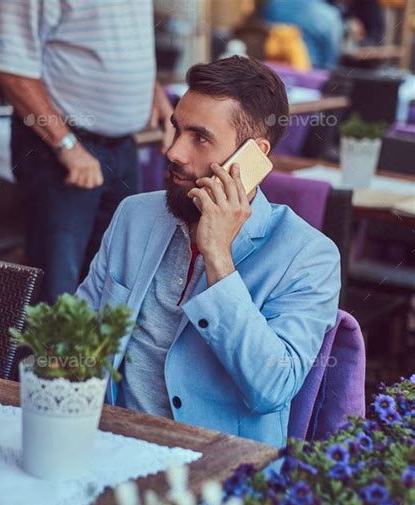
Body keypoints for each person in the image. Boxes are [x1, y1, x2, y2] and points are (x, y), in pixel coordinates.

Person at [77, 57, 341, 449]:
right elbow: (76, 332)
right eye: (177, 130)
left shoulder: (309, 257)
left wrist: (219, 256)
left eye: (200, 137)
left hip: (217, 469)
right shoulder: (135, 215)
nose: (173, 152)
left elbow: (271, 389)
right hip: (107, 442)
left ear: (252, 158)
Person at [0, 0, 173, 304]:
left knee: (117, 279)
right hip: (61, 149)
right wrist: (65, 144)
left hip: (123, 146)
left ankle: (96, 354)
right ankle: (54, 355)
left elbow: (117, 41)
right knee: (59, 293)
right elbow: (10, 68)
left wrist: (154, 92)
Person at [258, 0, 345, 69]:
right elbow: (329, 62)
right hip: (311, 80)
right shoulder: (331, 16)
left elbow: (260, 35)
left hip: (270, 72)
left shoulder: (274, 4)